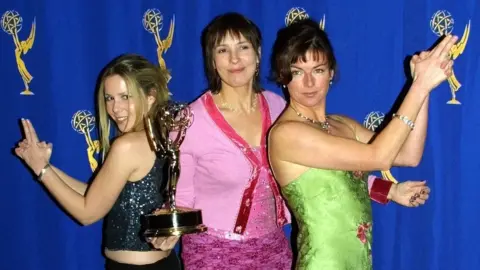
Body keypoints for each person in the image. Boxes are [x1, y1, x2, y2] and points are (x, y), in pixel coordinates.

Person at [149, 13, 431, 269]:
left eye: (243, 48)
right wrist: (169, 228)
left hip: (274, 250)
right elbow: (182, 197)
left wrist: (387, 191)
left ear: (258, 54)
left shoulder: (276, 108)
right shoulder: (190, 120)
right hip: (215, 253)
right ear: (212, 59)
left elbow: (323, 175)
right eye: (223, 50)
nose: (234, 60)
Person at [267, 18, 457, 269]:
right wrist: (419, 87)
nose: (309, 83)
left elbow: (408, 155)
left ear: (331, 73)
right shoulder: (286, 134)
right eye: (298, 72)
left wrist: (422, 88)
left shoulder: (342, 124)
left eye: (319, 70)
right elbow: (379, 157)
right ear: (284, 76)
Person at [14, 54, 181, 270]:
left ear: (150, 97)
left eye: (125, 97)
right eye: (109, 98)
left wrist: (42, 169)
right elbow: (96, 195)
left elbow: (87, 213)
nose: (115, 108)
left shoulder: (128, 145)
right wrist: (45, 167)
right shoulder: (161, 136)